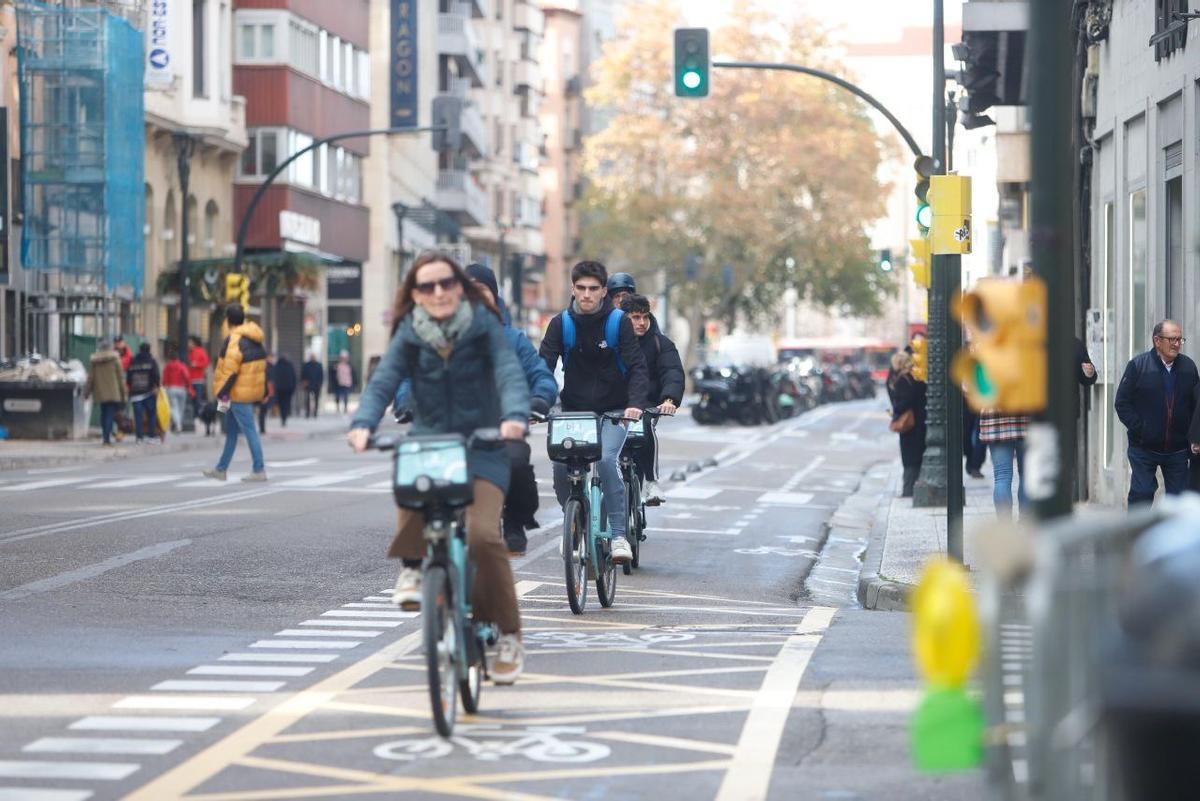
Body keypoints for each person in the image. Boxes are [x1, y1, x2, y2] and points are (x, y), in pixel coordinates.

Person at [348, 251, 530, 683]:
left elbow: (508, 373)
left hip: (482, 445)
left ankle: (509, 635)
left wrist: (514, 416)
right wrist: (363, 423)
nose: (438, 292)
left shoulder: (484, 326)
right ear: (415, 294)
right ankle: (413, 568)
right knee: (410, 482)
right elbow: (384, 379)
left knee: (483, 536)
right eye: (427, 286)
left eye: (446, 283)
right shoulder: (410, 332)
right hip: (431, 444)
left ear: (459, 288)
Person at [539, 260, 650, 564]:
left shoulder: (618, 322)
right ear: (573, 289)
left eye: (593, 289)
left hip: (614, 410)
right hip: (574, 411)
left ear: (604, 291)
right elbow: (542, 369)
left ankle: (618, 536)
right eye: (581, 288)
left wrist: (634, 404)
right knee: (561, 467)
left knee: (605, 460)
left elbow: (638, 367)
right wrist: (536, 404)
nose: (586, 294)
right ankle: (574, 520)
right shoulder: (561, 324)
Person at [465, 263, 558, 556]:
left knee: (516, 463)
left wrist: (539, 399)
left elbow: (541, 376)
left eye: (481, 290)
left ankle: (515, 521)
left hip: (503, 426)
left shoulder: (514, 339)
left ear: (493, 296)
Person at [1114, 319, 1198, 505]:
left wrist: (1193, 436)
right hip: (1143, 447)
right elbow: (1122, 403)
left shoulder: (1189, 367)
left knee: (1179, 502)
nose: (1177, 344)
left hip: (1177, 449)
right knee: (1142, 494)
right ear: (1157, 341)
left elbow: (1196, 406)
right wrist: (1141, 429)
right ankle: (1137, 526)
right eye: (1172, 339)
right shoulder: (1138, 366)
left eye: (1179, 339)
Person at [620, 293, 684, 504]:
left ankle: (650, 481)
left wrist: (669, 399)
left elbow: (672, 372)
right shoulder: (610, 341)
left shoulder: (661, 343)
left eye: (645, 317)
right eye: (635, 317)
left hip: (647, 405)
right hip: (614, 404)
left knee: (645, 426)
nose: (641, 322)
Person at [203, 303, 269, 482]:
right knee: (231, 432)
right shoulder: (255, 337)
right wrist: (263, 391)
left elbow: (230, 370)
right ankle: (221, 469)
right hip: (241, 393)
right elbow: (261, 367)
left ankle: (259, 469)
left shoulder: (234, 339)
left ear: (228, 320)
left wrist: (221, 393)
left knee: (250, 431)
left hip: (234, 394)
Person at [886, 351, 926, 498]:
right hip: (920, 422)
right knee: (917, 456)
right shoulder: (917, 377)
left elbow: (904, 401)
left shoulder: (904, 380)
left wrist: (895, 410)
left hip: (910, 424)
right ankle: (912, 487)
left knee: (909, 458)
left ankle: (908, 489)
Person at [980, 410, 1029, 520]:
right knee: (1027, 474)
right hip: (1026, 414)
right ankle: (1026, 523)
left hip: (995, 417)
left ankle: (1005, 525)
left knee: (1002, 476)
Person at [84, 339, 128, 447]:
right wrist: (124, 394)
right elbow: (121, 378)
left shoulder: (95, 361)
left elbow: (91, 378)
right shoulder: (115, 359)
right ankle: (106, 440)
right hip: (113, 393)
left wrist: (87, 392)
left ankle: (105, 437)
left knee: (104, 414)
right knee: (109, 415)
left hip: (100, 392)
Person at [126, 343, 161, 443]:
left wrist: (131, 387)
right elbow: (156, 376)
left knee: (138, 415)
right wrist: (157, 386)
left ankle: (139, 437)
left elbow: (129, 377)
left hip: (135, 393)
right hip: (148, 392)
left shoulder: (133, 361)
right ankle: (151, 436)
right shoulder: (151, 361)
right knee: (151, 414)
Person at [161, 345, 194, 434]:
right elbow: (186, 377)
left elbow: (164, 378)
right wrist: (189, 387)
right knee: (181, 408)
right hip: (182, 389)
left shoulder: (168, 366)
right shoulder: (181, 365)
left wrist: (163, 387)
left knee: (173, 407)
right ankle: (179, 424)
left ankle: (177, 424)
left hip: (171, 388)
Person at [187, 335, 211, 434]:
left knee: (197, 400)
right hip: (190, 380)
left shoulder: (201, 351)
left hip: (198, 380)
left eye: (190, 342)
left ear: (194, 343)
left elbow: (206, 363)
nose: (188, 344)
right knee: (192, 400)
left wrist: (196, 364)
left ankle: (199, 418)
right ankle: (195, 419)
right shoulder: (190, 352)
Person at [273, 353, 297, 427]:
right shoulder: (290, 366)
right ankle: (284, 417)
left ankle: (282, 417)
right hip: (288, 389)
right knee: (286, 404)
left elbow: (274, 378)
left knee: (281, 404)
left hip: (279, 389)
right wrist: (293, 388)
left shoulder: (277, 366)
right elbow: (294, 378)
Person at [257, 353, 277, 434]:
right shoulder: (266, 367)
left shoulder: (271, 367)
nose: (272, 359)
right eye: (271, 357)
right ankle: (262, 429)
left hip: (267, 390)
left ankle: (262, 428)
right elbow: (267, 381)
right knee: (263, 410)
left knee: (263, 410)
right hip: (264, 391)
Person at [301, 352, 324, 417]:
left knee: (316, 399)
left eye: (314, 357)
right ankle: (307, 412)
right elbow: (303, 374)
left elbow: (321, 375)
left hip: (316, 384)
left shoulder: (319, 365)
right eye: (312, 357)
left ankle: (315, 412)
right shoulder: (306, 365)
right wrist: (303, 382)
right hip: (308, 384)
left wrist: (320, 383)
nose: (313, 358)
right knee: (307, 399)